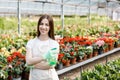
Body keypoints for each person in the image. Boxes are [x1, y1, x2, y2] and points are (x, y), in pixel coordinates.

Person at [26, 14, 60, 80]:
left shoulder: (54, 44)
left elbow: (51, 64)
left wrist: (34, 65)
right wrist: (44, 57)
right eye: (41, 24)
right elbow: (28, 61)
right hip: (34, 77)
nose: (43, 27)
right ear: (38, 25)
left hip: (50, 77)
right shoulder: (31, 42)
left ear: (50, 27)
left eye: (46, 25)